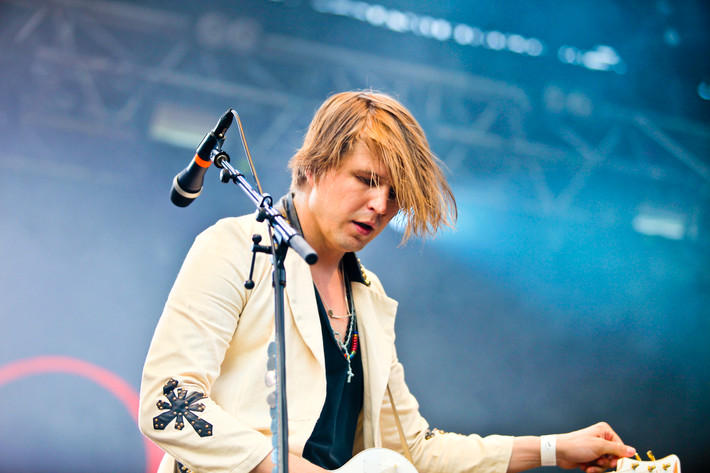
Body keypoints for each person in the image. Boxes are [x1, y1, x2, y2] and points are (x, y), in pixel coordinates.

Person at [138, 91, 636, 473]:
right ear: (312, 168)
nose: (381, 206)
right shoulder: (234, 247)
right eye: (366, 179)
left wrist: (554, 449)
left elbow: (412, 449)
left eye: (394, 194)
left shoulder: (368, 300)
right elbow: (167, 402)